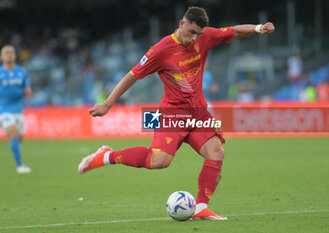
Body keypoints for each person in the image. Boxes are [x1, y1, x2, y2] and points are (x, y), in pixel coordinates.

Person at [78, 7, 274, 220]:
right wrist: (107, 104)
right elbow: (132, 75)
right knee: (160, 161)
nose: (194, 38)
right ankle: (105, 156)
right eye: (191, 32)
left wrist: (257, 28)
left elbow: (234, 31)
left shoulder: (204, 36)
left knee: (216, 152)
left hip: (198, 113)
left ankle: (200, 208)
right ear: (181, 24)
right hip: (171, 113)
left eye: (198, 33)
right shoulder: (160, 50)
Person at [0, 45, 32, 173]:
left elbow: (27, 88)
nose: (9, 54)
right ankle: (20, 165)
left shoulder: (21, 72)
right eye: (6, 52)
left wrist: (28, 91)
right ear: (1, 57)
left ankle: (13, 137)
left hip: (18, 110)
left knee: (18, 138)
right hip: (3, 111)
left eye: (11, 52)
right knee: (13, 132)